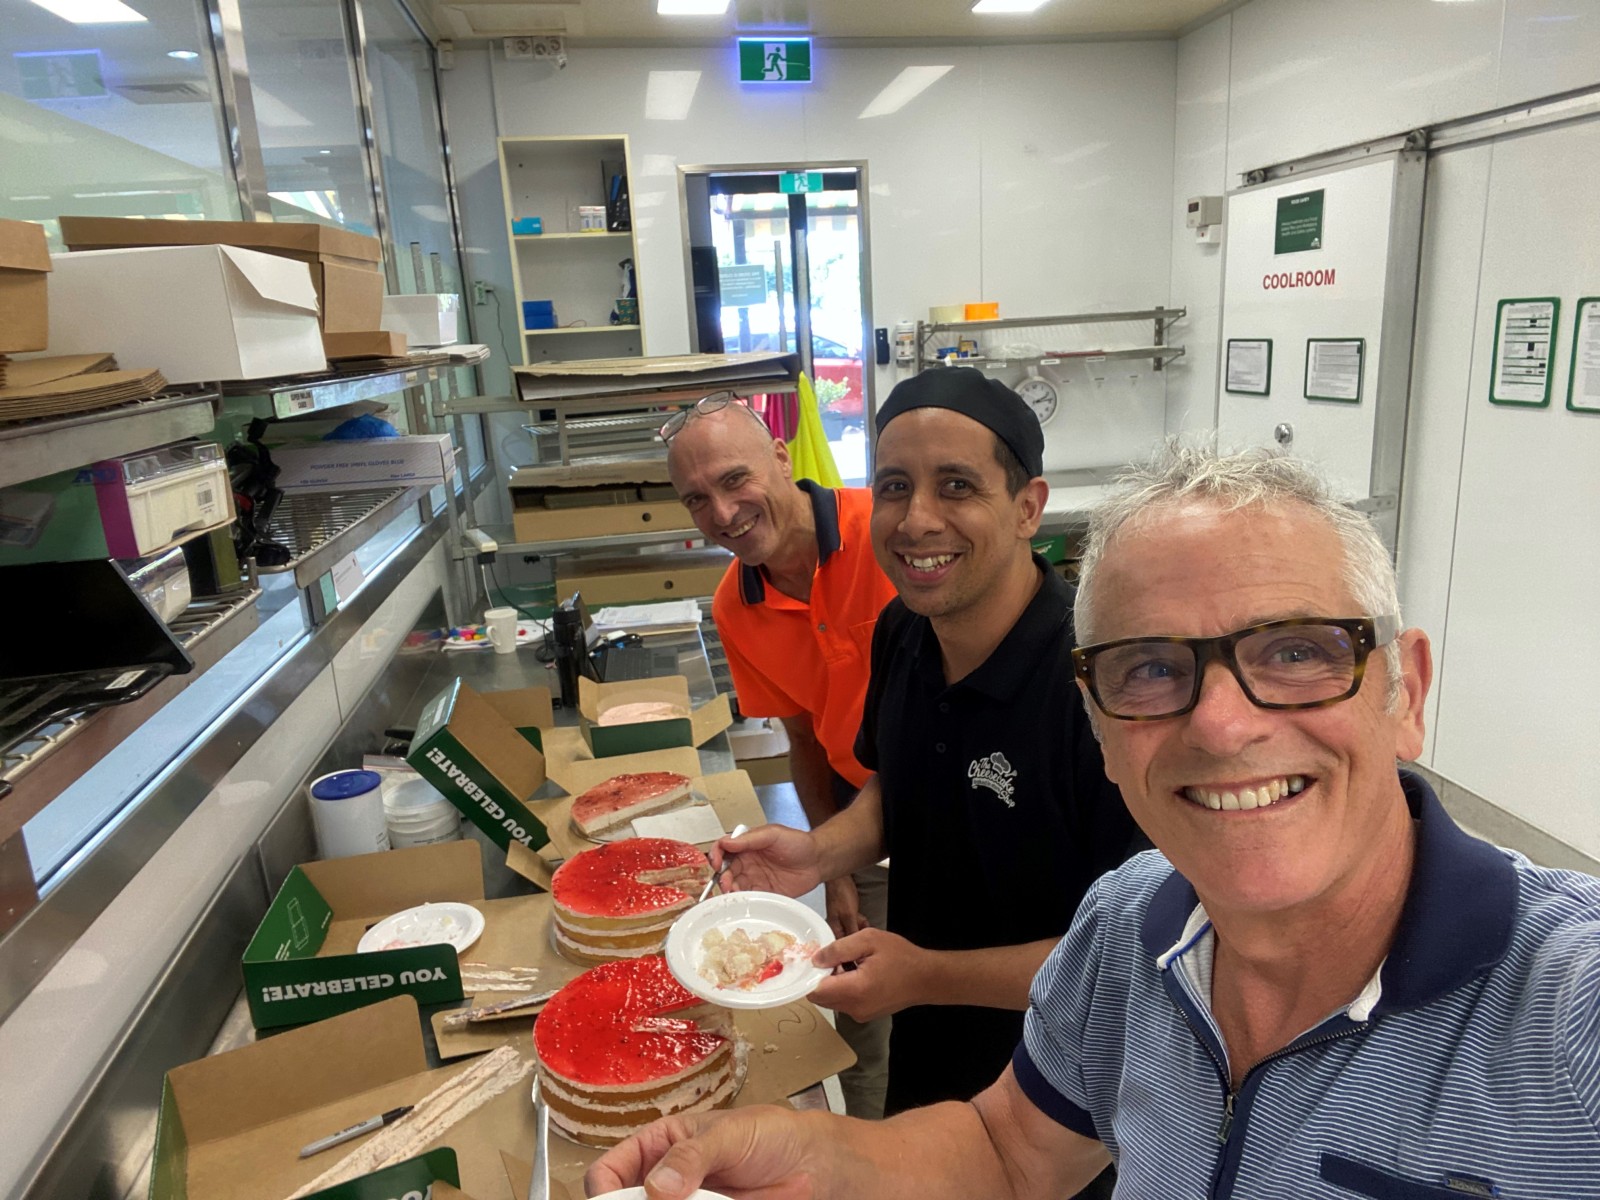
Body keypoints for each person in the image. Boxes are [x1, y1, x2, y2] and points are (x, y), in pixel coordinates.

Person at [588, 443, 1600, 1200]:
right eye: (1149, 670)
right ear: (1101, 734)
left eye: (1296, 651)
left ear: (1406, 691)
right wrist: (811, 1152)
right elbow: (1006, 1151)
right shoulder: (1130, 927)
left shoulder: (1567, 1007)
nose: (1219, 720)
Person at [710, 368, 1139, 1121]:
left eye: (958, 487)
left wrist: (926, 975)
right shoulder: (904, 631)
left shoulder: (1100, 688)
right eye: (896, 487)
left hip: (1065, 1087)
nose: (917, 521)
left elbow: (1129, 958)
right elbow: (900, 788)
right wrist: (819, 856)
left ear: (1026, 508)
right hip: (930, 1049)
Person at [663, 391, 899, 1118]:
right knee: (862, 1010)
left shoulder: (886, 534)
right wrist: (835, 869)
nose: (723, 513)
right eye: (697, 499)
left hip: (960, 804)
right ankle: (868, 1153)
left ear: (781, 458)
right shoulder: (737, 605)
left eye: (735, 480)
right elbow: (802, 737)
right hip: (860, 815)